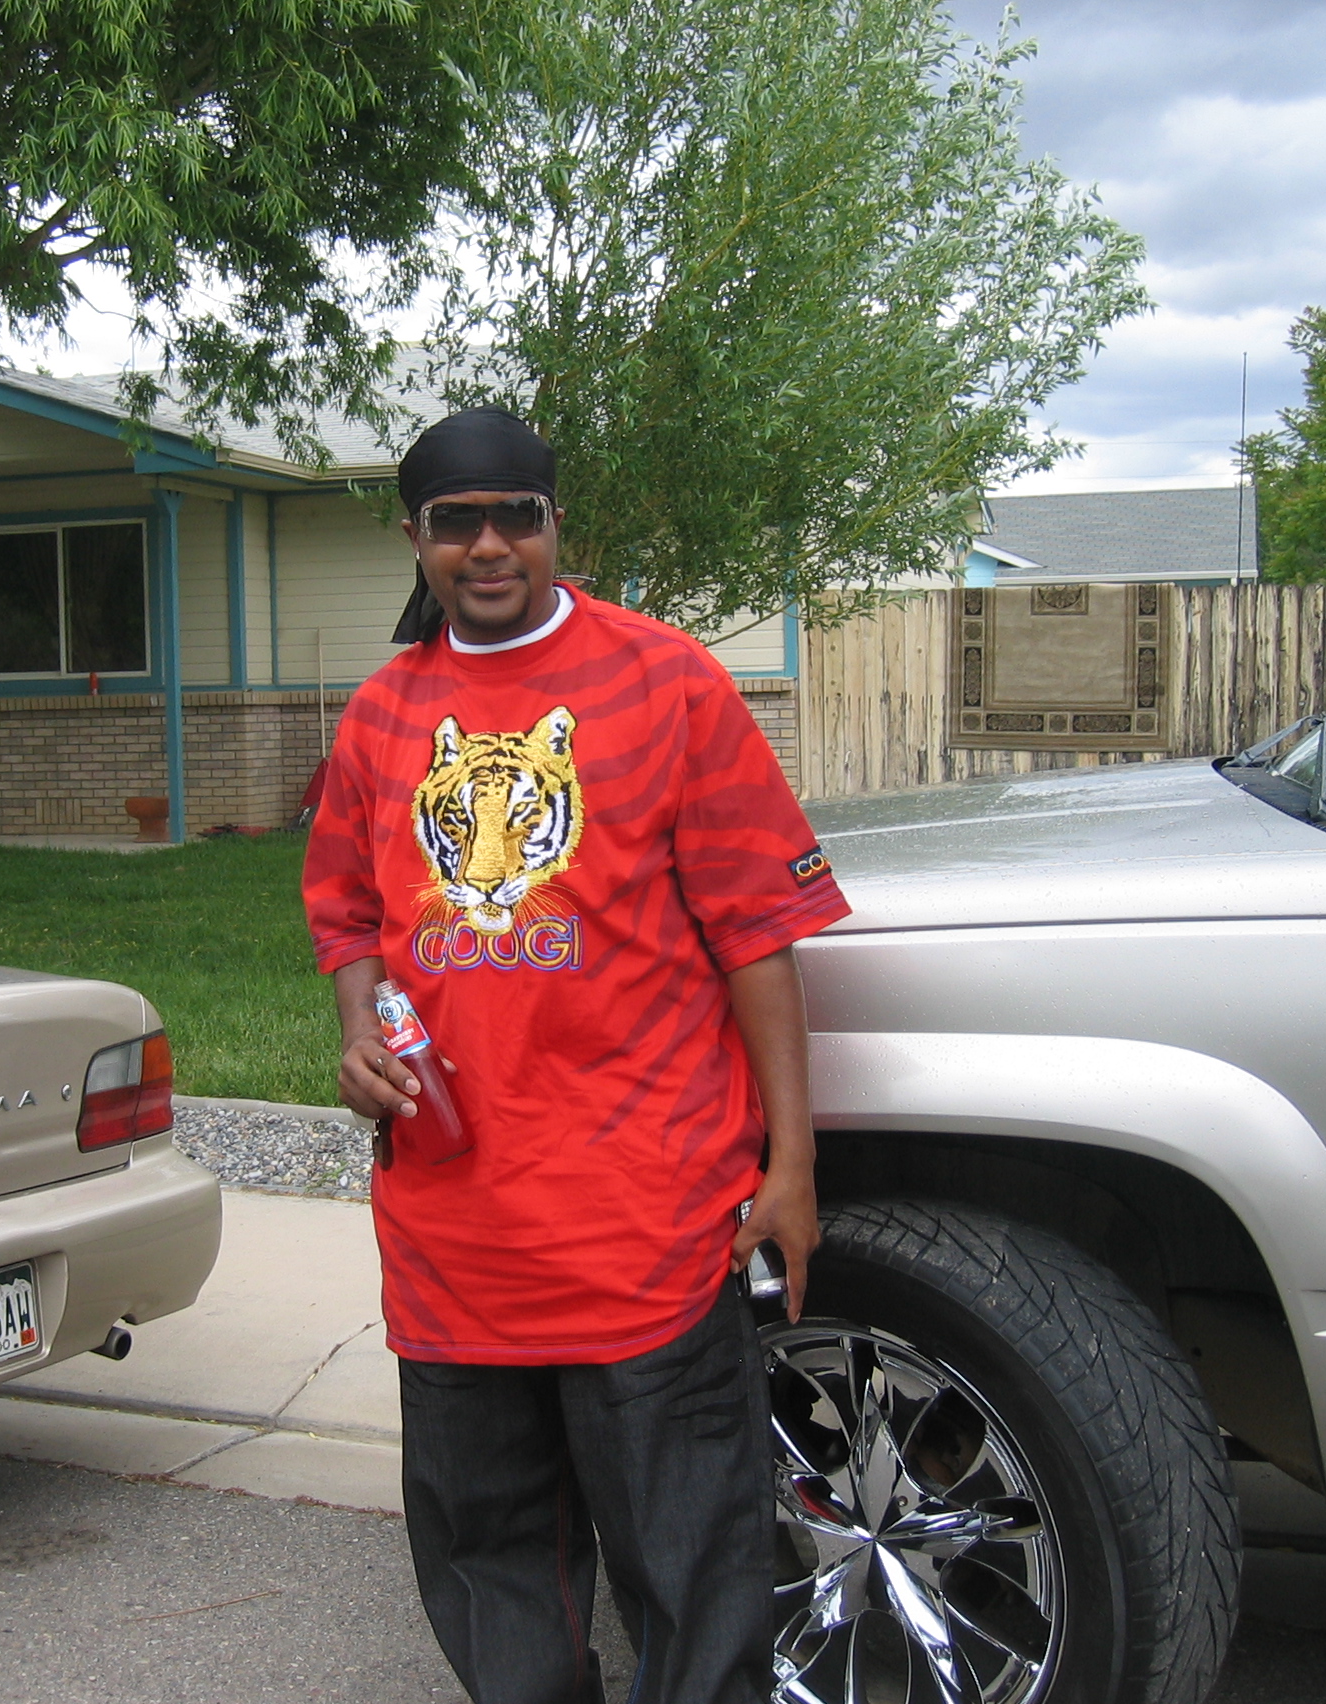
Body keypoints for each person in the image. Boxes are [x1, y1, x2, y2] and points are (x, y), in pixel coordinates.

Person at [301, 406, 850, 1704]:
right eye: (457, 523)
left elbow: (758, 937)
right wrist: (361, 1032)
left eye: (517, 516)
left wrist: (791, 1163)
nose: (489, 546)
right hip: (454, 1240)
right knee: (492, 1570)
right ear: (416, 538)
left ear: (558, 524)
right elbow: (348, 915)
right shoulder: (383, 715)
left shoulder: (668, 682)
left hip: (642, 1227)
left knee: (691, 1571)